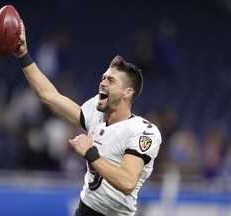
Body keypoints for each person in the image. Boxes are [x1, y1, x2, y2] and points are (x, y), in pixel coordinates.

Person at [14, 21, 162, 216]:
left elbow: (127, 182)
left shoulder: (142, 131)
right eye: (103, 78)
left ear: (127, 93)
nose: (102, 83)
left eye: (111, 80)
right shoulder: (96, 111)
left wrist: (91, 153)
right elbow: (50, 97)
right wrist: (23, 55)